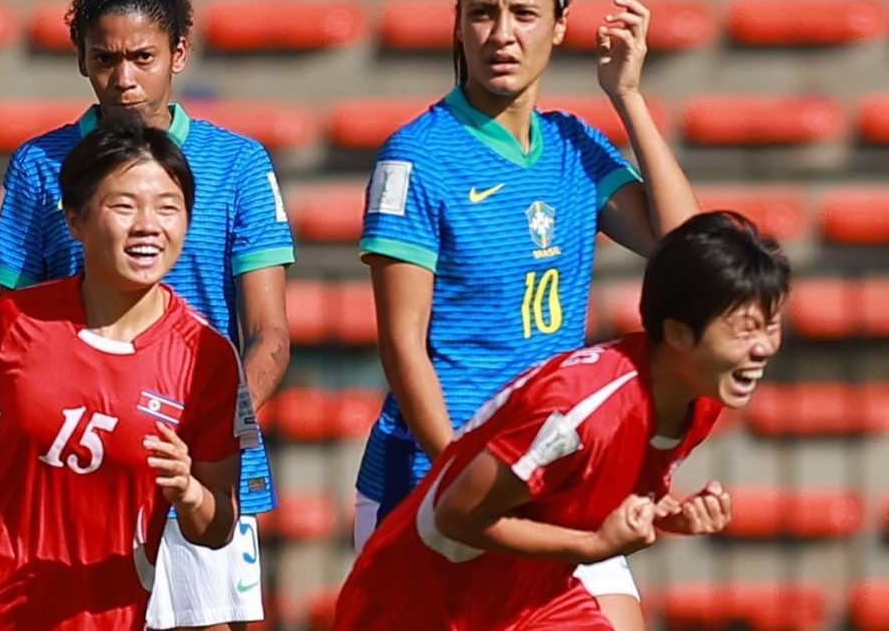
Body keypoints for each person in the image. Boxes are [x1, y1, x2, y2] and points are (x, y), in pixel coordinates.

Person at [354, 0, 700, 628]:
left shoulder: (575, 145)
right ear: (457, 25)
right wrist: (459, 470)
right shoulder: (416, 158)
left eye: (522, 14)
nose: (500, 34)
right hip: (437, 474)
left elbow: (687, 249)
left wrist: (627, 96)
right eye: (482, 12)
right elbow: (401, 341)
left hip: (553, 473)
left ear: (560, 26)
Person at [0, 0, 294, 631]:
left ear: (179, 51)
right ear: (81, 60)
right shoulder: (41, 166)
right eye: (105, 58)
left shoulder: (238, 165)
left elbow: (269, 334)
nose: (124, 79)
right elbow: (6, 346)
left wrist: (208, 429)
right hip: (70, 469)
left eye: (142, 57)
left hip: (194, 469)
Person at [0, 118, 256, 629]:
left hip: (93, 615)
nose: (148, 225)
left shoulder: (206, 356)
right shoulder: (15, 321)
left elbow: (218, 525)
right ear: (75, 220)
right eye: (124, 206)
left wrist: (189, 493)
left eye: (168, 207)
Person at [336, 210, 791, 629]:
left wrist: (668, 513)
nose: (766, 347)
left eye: (770, 325)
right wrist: (593, 548)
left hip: (535, 596)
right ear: (676, 333)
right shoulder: (578, 412)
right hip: (421, 606)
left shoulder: (698, 396)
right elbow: (456, 516)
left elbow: (579, 490)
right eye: (745, 329)